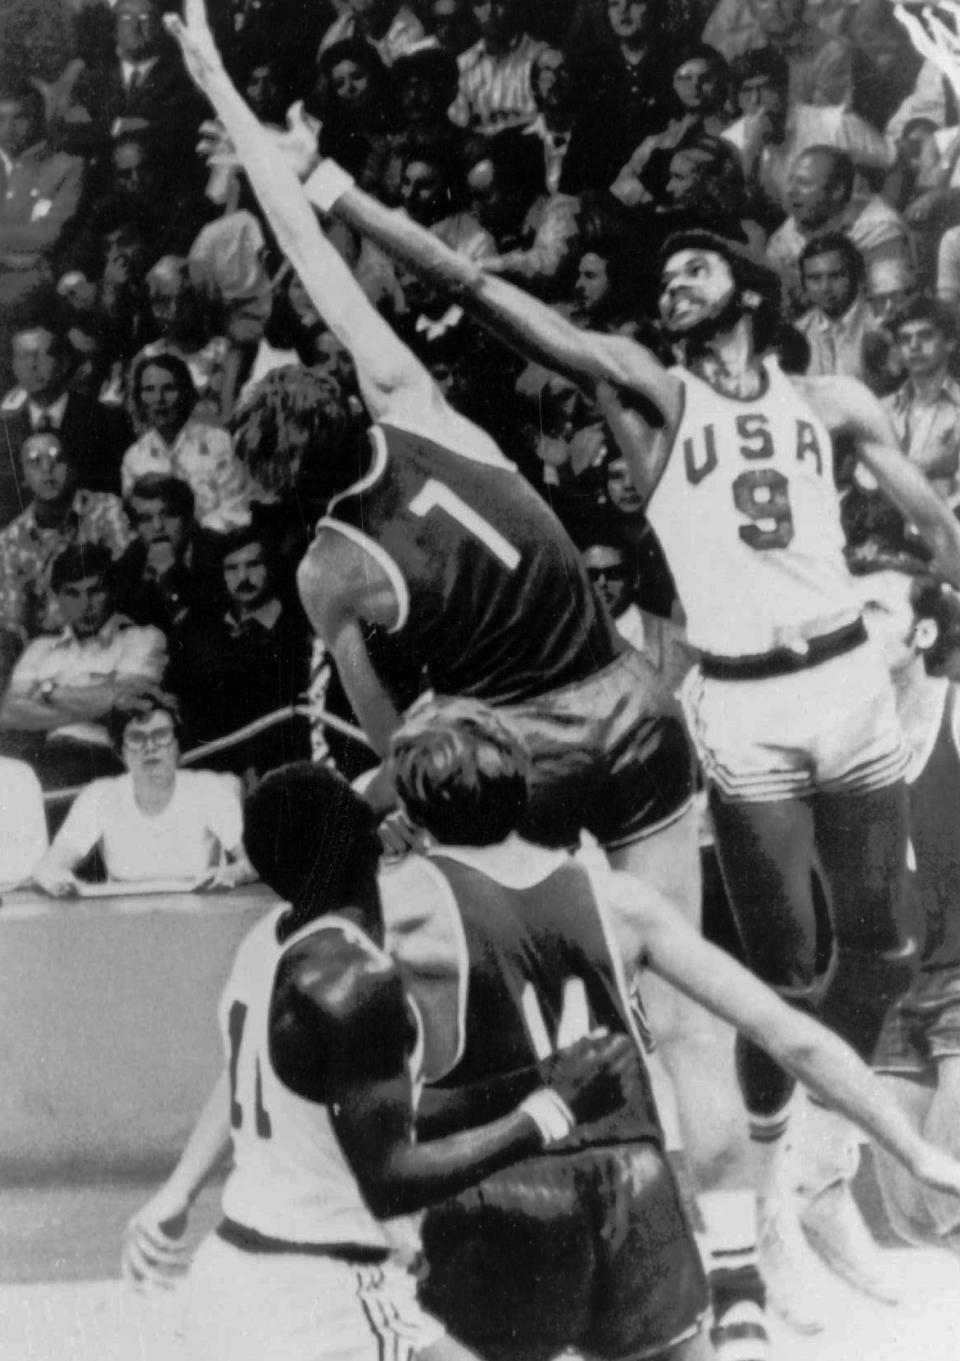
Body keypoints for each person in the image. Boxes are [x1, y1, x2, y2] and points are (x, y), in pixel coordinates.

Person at [275, 125, 960, 1323]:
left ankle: (816, 1169)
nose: (674, 283)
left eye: (697, 268)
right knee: (775, 978)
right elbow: (480, 290)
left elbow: (938, 520)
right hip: (737, 700)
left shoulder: (837, 397)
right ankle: (772, 1232)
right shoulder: (651, 392)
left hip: (852, 675)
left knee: (889, 952)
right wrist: (338, 190)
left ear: (752, 285)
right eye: (667, 276)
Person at [162, 10, 744, 1350]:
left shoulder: (330, 578)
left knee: (477, 1003)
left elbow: (411, 749)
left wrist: (390, 804)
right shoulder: (411, 398)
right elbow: (316, 255)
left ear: (270, 482)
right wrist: (234, 100)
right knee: (684, 1002)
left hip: (522, 756)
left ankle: (461, 1231)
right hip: (632, 712)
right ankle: (736, 1284)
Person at [302, 696, 960, 1361]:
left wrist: (372, 815)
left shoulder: (402, 905)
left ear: (412, 809)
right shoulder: (619, 900)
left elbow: (302, 896)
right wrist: (913, 1150)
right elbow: (790, 1034)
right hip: (631, 1189)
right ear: (523, 785)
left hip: (495, 1192)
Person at [121, 759, 637, 1361]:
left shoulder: (266, 941)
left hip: (240, 1268)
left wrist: (539, 1080)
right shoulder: (356, 979)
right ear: (363, 845)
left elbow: (316, 1094)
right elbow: (394, 1178)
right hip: (321, 1295)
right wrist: (550, 1113)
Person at [31, 695, 253, 895]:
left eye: (161, 735)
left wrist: (233, 875)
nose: (150, 747)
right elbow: (52, 864)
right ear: (121, 752)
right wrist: (57, 878)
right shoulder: (100, 795)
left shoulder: (211, 790)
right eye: (136, 738)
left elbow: (251, 863)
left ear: (177, 746)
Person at [0, 542, 168, 787]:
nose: (85, 605)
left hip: (106, 763)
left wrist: (46, 692)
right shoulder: (41, 648)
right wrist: (102, 698)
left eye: (94, 591)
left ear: (112, 591)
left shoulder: (142, 639)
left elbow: (128, 704)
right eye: (72, 593)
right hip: (42, 761)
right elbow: (11, 713)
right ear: (58, 597)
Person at [882, 298, 960, 507]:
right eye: (905, 339)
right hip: (889, 528)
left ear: (950, 342)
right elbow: (868, 480)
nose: (914, 346)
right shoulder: (883, 409)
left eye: (925, 336)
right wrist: (930, 464)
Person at [795, 233, 881, 382]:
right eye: (815, 278)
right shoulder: (799, 332)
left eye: (836, 276)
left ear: (856, 276)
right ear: (804, 283)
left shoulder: (878, 325)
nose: (825, 288)